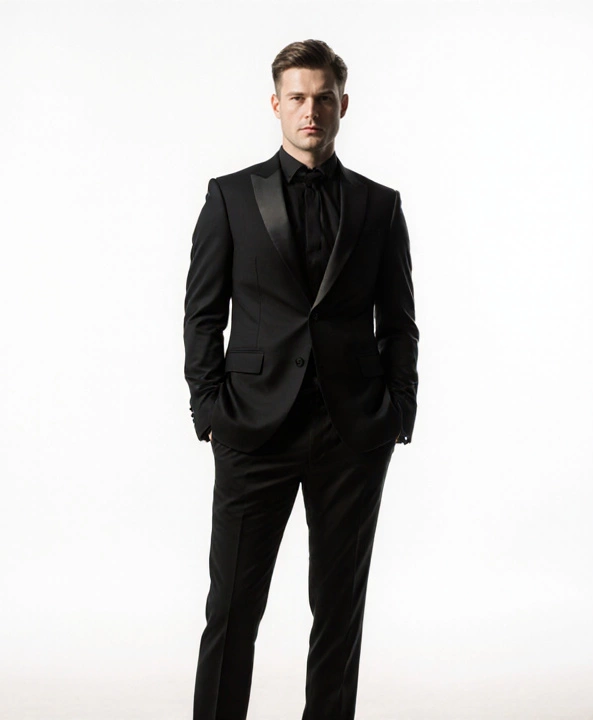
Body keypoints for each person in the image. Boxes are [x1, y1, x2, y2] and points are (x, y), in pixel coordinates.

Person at [183, 39, 418, 720]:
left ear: (342, 104)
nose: (310, 110)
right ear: (276, 105)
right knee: (231, 609)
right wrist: (208, 408)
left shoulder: (380, 206)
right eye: (297, 97)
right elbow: (202, 312)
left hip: (352, 433)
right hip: (252, 427)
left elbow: (399, 320)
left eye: (322, 97)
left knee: (340, 612)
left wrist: (398, 409)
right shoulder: (230, 197)